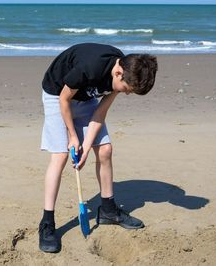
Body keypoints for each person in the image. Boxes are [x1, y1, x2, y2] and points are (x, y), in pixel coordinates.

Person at [39, 43, 158, 253]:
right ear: (118, 72)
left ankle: (108, 211)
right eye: (127, 90)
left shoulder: (126, 69)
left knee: (105, 149)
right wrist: (73, 137)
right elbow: (64, 99)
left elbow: (100, 112)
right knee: (60, 156)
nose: (127, 94)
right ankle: (47, 223)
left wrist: (85, 146)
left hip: (86, 99)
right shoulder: (90, 67)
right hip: (58, 94)